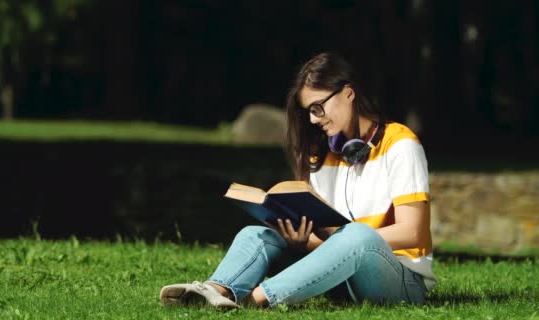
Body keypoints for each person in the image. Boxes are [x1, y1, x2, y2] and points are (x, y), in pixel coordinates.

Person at [159, 51, 436, 308]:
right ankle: (215, 292)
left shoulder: (400, 145)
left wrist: (347, 239)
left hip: (401, 281)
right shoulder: (321, 156)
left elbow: (413, 233)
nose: (314, 120)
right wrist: (303, 242)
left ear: (348, 94)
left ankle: (256, 300)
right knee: (255, 234)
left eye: (318, 107)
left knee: (356, 233)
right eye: (309, 111)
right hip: (342, 277)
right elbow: (332, 245)